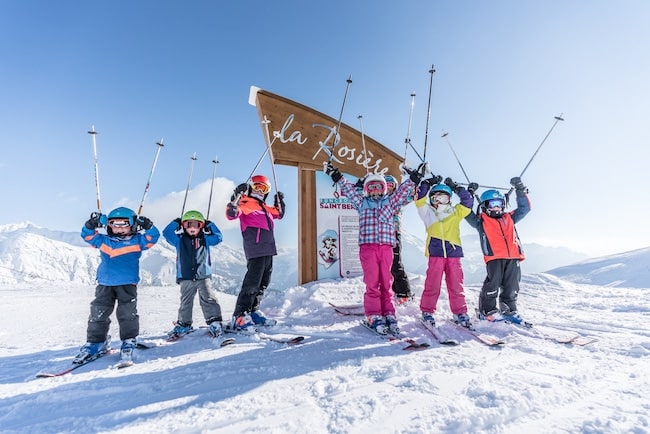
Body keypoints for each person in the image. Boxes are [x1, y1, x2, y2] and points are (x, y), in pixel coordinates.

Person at [325, 162, 423, 335]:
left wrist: (414, 179)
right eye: (371, 187)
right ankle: (373, 315)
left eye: (379, 187)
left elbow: (401, 193)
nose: (375, 190)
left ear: (384, 189)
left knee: (387, 282)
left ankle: (389, 313)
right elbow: (348, 190)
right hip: (368, 249)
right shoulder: (361, 203)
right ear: (366, 190)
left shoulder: (390, 203)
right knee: (372, 283)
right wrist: (337, 176)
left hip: (386, 248)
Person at [75, 207, 160, 363]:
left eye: (124, 224)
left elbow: (152, 237)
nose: (119, 228)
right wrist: (92, 223)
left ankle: (129, 340)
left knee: (127, 314)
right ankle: (96, 342)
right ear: (109, 226)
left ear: (133, 225)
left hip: (127, 283)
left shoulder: (137, 240)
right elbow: (87, 235)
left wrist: (148, 225)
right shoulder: (103, 240)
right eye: (115, 224)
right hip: (104, 283)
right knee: (98, 313)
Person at [465, 177, 531, 324]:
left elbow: (525, 208)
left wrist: (520, 189)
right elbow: (465, 211)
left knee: (512, 285)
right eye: (492, 204)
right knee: (492, 284)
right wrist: (469, 194)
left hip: (513, 256)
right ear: (484, 206)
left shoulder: (510, 217)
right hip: (494, 258)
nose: (496, 207)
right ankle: (486, 311)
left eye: (499, 204)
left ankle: (509, 309)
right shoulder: (480, 221)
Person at [226, 174, 285, 332]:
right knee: (252, 282)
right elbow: (231, 214)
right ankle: (240, 315)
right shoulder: (245, 203)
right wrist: (236, 197)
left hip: (268, 249)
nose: (260, 191)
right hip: (255, 248)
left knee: (263, 282)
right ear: (251, 187)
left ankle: (252, 311)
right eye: (257, 186)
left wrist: (279, 202)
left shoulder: (265, 207)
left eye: (264, 188)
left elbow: (278, 214)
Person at [415, 177, 474, 329]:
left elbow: (467, 201)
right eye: (436, 197)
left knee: (456, 284)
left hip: (453, 254)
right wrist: (427, 183)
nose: (439, 201)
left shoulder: (455, 212)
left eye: (443, 197)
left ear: (449, 199)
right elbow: (419, 197)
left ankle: (460, 312)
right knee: (432, 284)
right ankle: (427, 311)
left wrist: (456, 187)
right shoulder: (427, 212)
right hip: (436, 253)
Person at [163, 210, 225, 338]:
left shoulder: (206, 239)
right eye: (188, 224)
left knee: (208, 298)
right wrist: (176, 223)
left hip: (203, 275)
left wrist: (210, 225)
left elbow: (218, 237)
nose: (192, 228)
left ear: (201, 226)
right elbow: (167, 233)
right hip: (185, 277)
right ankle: (184, 324)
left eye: (196, 225)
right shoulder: (179, 240)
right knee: (186, 301)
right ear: (183, 226)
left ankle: (214, 322)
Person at [384, 174, 413, 304]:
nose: (389, 188)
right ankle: (391, 292)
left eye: (391, 186)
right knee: (385, 266)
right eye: (387, 185)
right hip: (381, 235)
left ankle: (404, 293)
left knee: (396, 263)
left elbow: (412, 195)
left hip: (394, 233)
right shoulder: (379, 200)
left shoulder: (399, 199)